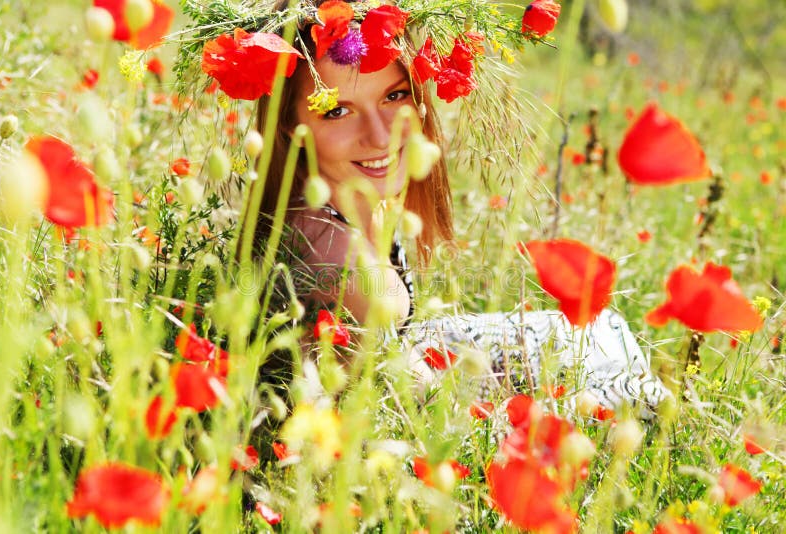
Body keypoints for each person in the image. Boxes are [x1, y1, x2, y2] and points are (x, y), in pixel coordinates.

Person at [193, 0, 672, 417]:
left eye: (395, 95)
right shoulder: (336, 266)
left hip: (413, 387)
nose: (381, 136)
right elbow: (396, 416)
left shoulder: (333, 207)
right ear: (285, 122)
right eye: (336, 110)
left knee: (594, 338)